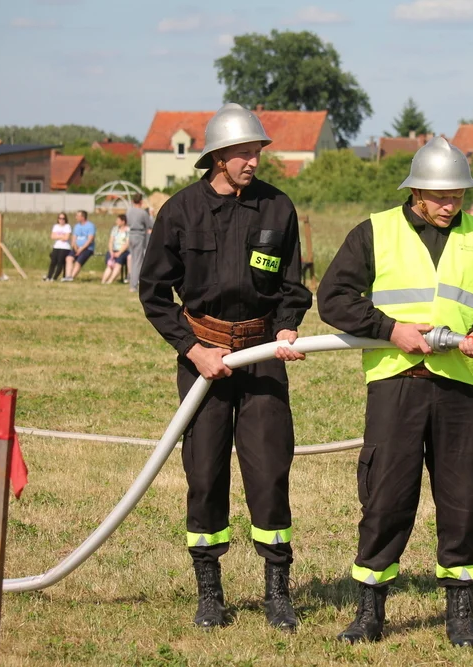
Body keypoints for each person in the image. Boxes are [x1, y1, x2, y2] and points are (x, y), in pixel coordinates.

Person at [317, 136, 473, 649]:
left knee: (461, 500)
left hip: (459, 389)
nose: (450, 204)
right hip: (397, 385)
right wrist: (390, 329)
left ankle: (461, 612)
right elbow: (334, 298)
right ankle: (369, 612)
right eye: (440, 195)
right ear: (415, 192)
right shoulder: (374, 231)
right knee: (386, 499)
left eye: (458, 194)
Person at [139, 103, 312, 631]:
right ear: (216, 156)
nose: (251, 161)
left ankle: (276, 590)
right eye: (241, 152)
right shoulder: (180, 211)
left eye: (256, 151)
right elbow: (153, 291)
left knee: (269, 471)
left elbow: (292, 285)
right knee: (205, 474)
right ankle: (209, 591)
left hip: (261, 359)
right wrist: (195, 351)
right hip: (204, 362)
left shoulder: (278, 209)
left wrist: (285, 327)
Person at [126, 193, 154, 292]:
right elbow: (151, 225)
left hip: (131, 235)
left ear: (133, 201)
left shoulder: (129, 211)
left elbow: (128, 222)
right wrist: (151, 215)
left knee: (133, 260)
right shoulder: (143, 213)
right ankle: (133, 285)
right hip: (139, 235)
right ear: (141, 202)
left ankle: (131, 282)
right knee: (138, 261)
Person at [64, 210, 95, 281]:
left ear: (83, 217)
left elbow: (90, 240)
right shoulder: (76, 226)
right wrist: (75, 247)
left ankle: (72, 277)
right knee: (69, 258)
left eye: (77, 216)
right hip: (77, 248)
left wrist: (81, 249)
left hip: (87, 248)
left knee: (78, 262)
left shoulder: (90, 226)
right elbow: (74, 238)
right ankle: (68, 276)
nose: (76, 217)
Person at [101, 214, 130, 284]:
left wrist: (119, 253)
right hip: (113, 251)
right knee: (109, 265)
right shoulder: (115, 229)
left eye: (118, 220)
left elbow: (127, 243)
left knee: (118, 265)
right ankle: (103, 281)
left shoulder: (128, 230)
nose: (116, 221)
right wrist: (111, 252)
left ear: (123, 221)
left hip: (123, 251)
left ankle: (110, 281)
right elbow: (111, 241)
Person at [45, 213, 71, 281]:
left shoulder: (67, 226)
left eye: (63, 218)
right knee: (53, 262)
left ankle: (55, 277)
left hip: (65, 247)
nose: (61, 220)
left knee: (60, 262)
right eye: (60, 218)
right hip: (56, 246)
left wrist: (58, 236)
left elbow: (66, 238)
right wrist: (61, 236)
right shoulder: (56, 226)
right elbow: (52, 236)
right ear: (58, 219)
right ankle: (49, 276)